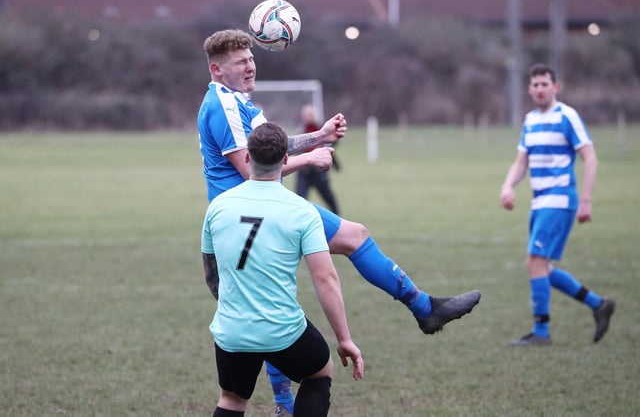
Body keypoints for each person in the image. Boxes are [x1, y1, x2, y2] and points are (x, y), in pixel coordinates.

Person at [198, 29, 480, 416]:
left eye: (250, 58)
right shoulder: (224, 106)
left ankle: (285, 404)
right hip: (254, 207)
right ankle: (423, 308)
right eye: (239, 62)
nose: (250, 66)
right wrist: (311, 158)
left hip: (253, 210)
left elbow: (271, 147)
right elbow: (252, 166)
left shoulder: (237, 101)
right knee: (349, 242)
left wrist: (318, 136)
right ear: (217, 69)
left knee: (270, 304)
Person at [202, 122, 364, 417]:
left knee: (232, 400)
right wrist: (344, 339)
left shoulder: (218, 207)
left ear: (248, 158)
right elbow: (325, 278)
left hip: (232, 329)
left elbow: (211, 274)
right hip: (283, 331)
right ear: (287, 159)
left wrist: (238, 310)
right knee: (319, 372)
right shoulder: (302, 210)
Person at [500, 63, 615, 346]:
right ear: (529, 89)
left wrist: (586, 200)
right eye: (535, 85)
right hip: (540, 202)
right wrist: (507, 186)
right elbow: (521, 161)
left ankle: (541, 333)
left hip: (560, 198)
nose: (540, 89)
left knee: (534, 262)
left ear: (556, 87)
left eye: (545, 84)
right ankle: (599, 304)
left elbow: (591, 158)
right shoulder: (529, 121)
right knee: (543, 268)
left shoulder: (568, 117)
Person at [295, 104, 341, 215]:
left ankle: (338, 219)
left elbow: (331, 145)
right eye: (306, 115)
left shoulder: (321, 130)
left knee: (329, 198)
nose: (309, 117)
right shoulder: (301, 131)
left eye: (311, 115)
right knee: (299, 200)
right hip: (304, 172)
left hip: (318, 172)